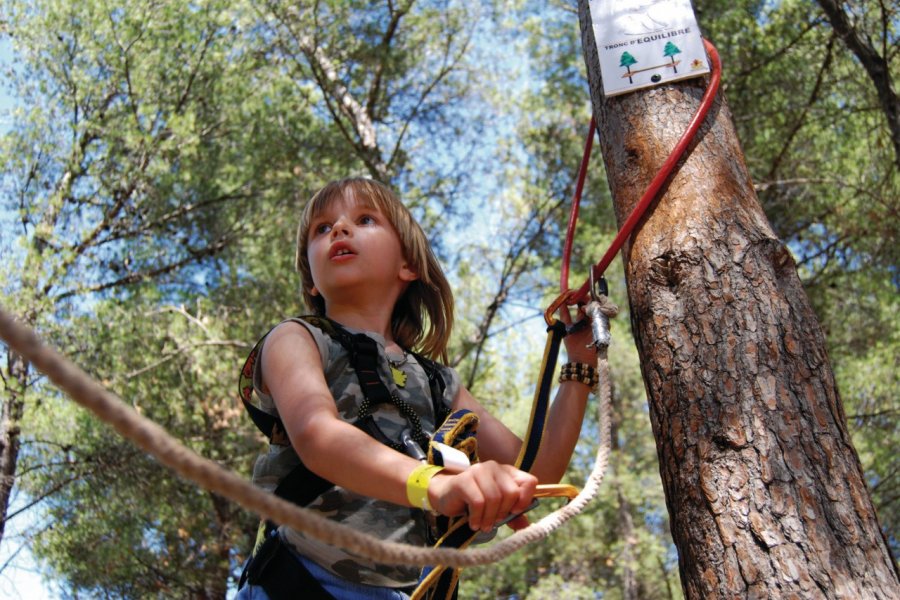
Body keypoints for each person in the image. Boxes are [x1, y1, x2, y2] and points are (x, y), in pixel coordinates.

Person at [238, 177, 597, 599]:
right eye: (322, 229)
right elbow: (318, 435)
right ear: (312, 281)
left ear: (407, 265)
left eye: (364, 219)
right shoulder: (296, 338)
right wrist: (437, 484)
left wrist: (579, 367)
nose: (338, 230)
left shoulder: (435, 380)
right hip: (306, 579)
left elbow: (533, 473)